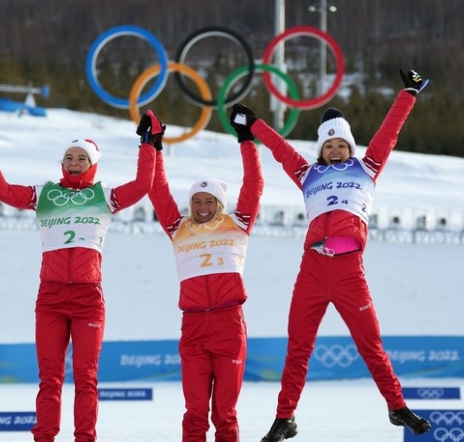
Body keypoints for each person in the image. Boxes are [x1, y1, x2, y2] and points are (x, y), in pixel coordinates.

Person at [230, 69, 432, 441]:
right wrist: (254, 124)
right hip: (312, 269)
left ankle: (396, 405)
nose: (335, 150)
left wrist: (408, 92)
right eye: (329, 145)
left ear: (350, 148)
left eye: (341, 145)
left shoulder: (366, 167)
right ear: (320, 149)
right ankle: (285, 417)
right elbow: (281, 150)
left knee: (371, 344)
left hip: (348, 270)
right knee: (299, 348)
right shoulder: (307, 174)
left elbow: (389, 133)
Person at [0, 114, 159, 442]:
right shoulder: (45, 193)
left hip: (89, 297)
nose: (73, 163)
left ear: (93, 163)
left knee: (86, 379)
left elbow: (143, 186)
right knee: (50, 379)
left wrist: (149, 145)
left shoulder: (104, 195)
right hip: (51, 297)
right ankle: (44, 437)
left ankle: (84, 438)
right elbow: (2, 191)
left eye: (81, 158)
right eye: (69, 158)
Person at [147, 109, 264, 442]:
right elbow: (157, 190)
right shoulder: (178, 227)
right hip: (194, 326)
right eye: (195, 201)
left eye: (208, 201)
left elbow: (255, 185)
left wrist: (247, 140)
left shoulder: (238, 223)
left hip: (229, 324)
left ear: (220, 203)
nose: (200, 206)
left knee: (225, 414)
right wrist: (154, 148)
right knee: (195, 413)